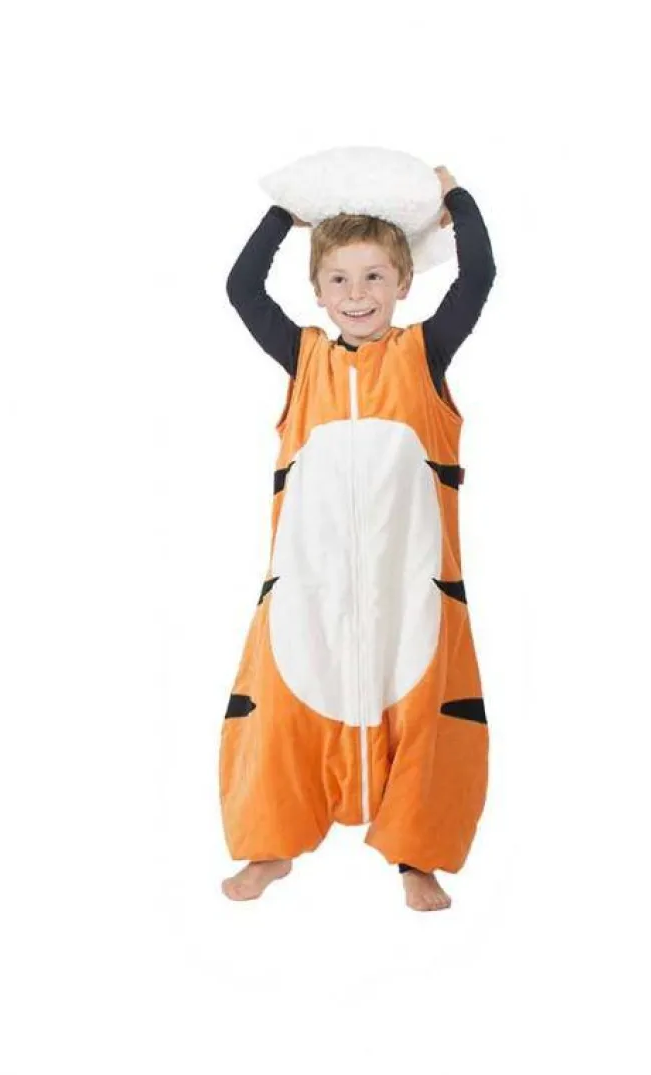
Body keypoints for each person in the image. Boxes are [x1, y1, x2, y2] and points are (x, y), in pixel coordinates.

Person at [219, 166, 496, 911]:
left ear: (403, 282)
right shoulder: (303, 357)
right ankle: (270, 846)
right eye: (338, 278)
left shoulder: (424, 354)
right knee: (281, 712)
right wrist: (285, 214)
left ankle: (417, 857)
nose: (357, 293)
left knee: (425, 715)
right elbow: (242, 288)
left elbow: (479, 277)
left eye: (375, 276)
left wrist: (457, 202)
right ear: (317, 290)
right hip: (310, 583)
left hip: (412, 582)